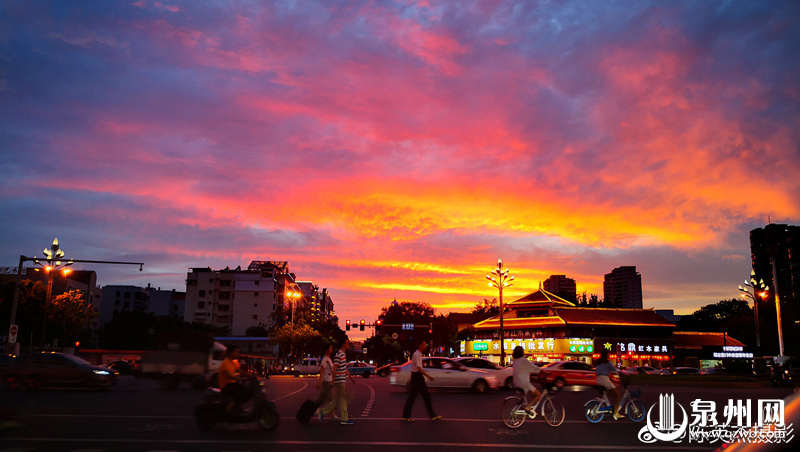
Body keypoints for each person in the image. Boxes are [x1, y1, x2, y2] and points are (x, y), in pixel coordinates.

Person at [402, 340, 442, 422]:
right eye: (424, 344)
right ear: (420, 345)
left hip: (417, 377)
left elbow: (415, 368)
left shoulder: (418, 355)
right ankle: (432, 415)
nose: (425, 346)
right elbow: (419, 368)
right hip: (418, 377)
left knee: (416, 397)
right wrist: (429, 376)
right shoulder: (417, 355)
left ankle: (406, 416)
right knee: (424, 396)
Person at [320, 339, 356, 425]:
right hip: (339, 380)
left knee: (337, 400)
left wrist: (350, 377)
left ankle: (322, 412)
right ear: (343, 344)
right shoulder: (339, 354)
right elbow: (335, 368)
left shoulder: (343, 354)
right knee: (342, 399)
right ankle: (344, 419)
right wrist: (333, 379)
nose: (348, 345)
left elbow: (344, 368)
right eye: (347, 343)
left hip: (342, 379)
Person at [218, 345, 253, 414]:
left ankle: (236, 407)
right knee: (244, 391)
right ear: (231, 353)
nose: (238, 354)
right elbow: (228, 375)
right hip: (226, 386)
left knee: (248, 391)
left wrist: (250, 375)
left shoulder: (232, 363)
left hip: (232, 385)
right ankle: (229, 409)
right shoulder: (225, 363)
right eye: (236, 352)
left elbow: (240, 371)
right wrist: (240, 378)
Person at [511, 346, 541, 418]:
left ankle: (529, 407)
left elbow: (523, 370)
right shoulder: (523, 360)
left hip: (516, 382)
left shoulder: (515, 360)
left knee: (532, 394)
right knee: (538, 395)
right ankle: (528, 407)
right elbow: (534, 368)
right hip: (523, 383)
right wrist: (545, 372)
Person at [595, 348, 623, 420]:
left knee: (610, 392)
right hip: (604, 379)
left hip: (598, 380)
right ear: (606, 355)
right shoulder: (608, 362)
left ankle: (608, 406)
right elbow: (614, 369)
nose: (609, 355)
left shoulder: (598, 362)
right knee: (617, 396)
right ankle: (616, 413)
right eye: (608, 354)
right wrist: (623, 373)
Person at [315, 344, 335, 422]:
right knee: (332, 400)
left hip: (328, 381)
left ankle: (332, 414)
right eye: (330, 348)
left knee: (322, 399)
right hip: (326, 381)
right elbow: (322, 370)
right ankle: (321, 412)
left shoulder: (329, 359)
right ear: (327, 350)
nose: (331, 349)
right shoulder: (325, 359)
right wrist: (320, 382)